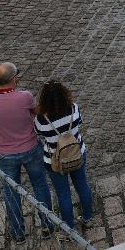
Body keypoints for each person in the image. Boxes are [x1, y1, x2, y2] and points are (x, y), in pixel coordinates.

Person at [0, 62, 53, 242]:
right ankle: (47, 225)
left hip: (5, 153)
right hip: (30, 148)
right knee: (40, 186)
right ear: (13, 78)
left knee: (11, 192)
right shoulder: (24, 97)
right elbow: (36, 112)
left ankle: (18, 232)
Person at [33, 80, 96, 230]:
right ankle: (88, 216)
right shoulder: (74, 109)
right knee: (82, 185)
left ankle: (68, 227)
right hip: (77, 154)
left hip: (55, 162)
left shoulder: (41, 120)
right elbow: (79, 124)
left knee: (63, 194)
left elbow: (38, 134)